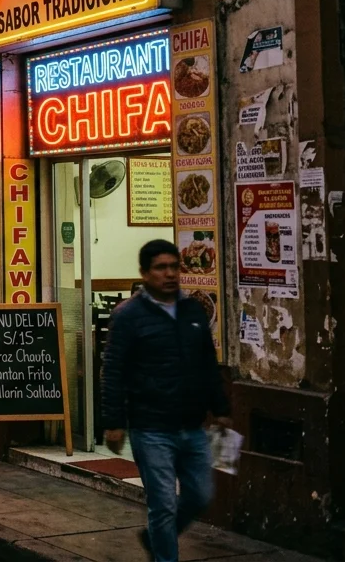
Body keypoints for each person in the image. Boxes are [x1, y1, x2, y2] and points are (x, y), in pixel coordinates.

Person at [102, 239, 230, 562]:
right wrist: (114, 423)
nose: (170, 274)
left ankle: (155, 538)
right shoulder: (128, 316)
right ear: (145, 273)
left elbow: (207, 363)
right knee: (163, 504)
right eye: (161, 268)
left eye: (175, 266)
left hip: (192, 424)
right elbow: (113, 371)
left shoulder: (193, 310)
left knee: (201, 494)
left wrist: (222, 408)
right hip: (151, 427)